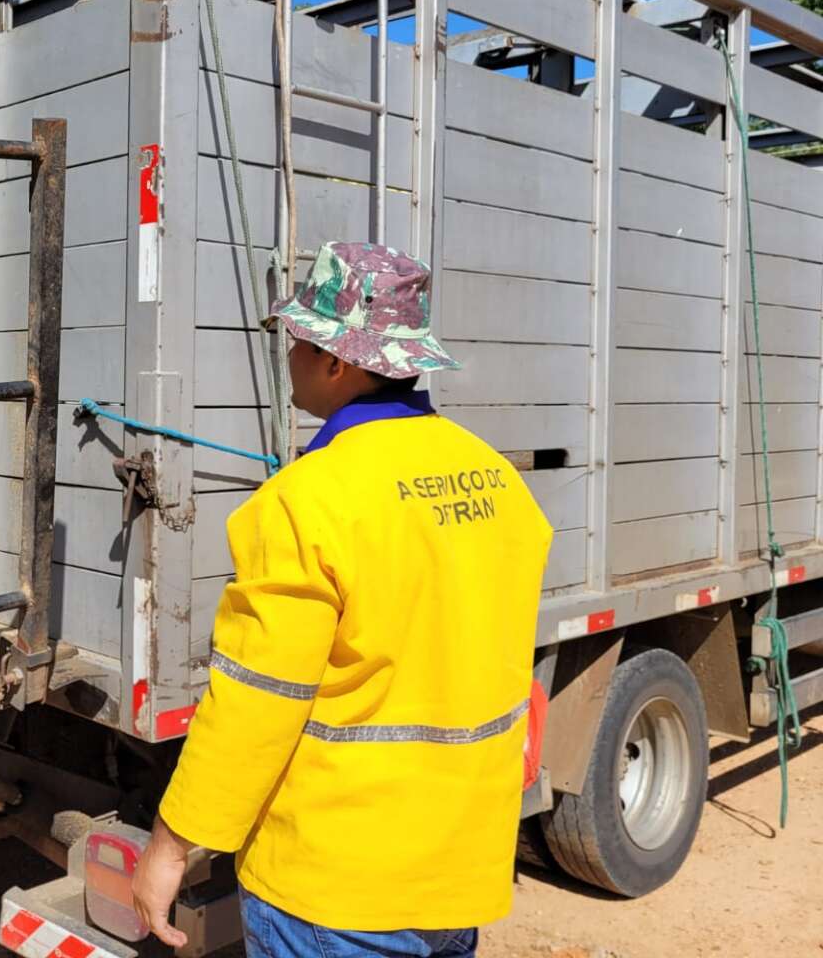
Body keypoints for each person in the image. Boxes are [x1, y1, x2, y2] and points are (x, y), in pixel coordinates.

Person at [131, 242, 553, 958]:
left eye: (298, 341)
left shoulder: (306, 502)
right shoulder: (495, 479)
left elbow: (257, 703)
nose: (288, 356)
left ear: (337, 363)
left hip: (338, 887)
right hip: (456, 874)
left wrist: (172, 847)